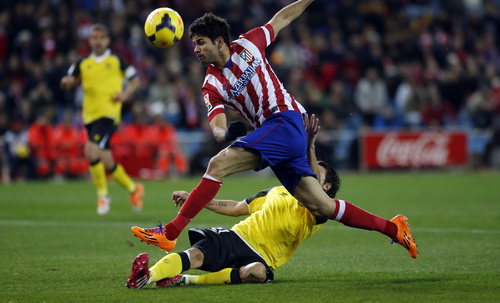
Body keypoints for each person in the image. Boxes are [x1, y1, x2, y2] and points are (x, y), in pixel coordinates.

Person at [132, 0, 417, 259]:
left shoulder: (249, 44)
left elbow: (282, 18)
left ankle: (169, 233)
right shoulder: (211, 84)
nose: (195, 50)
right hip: (278, 137)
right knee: (322, 207)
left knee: (217, 164)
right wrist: (227, 134)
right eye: (194, 44)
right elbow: (217, 127)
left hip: (287, 120)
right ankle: (394, 228)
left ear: (220, 41)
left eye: (201, 42)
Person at [126, 116, 415, 289]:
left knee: (257, 274)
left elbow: (312, 181)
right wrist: (198, 201)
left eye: (317, 176)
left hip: (262, 258)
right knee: (196, 255)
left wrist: (310, 144)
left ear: (325, 187)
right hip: (240, 236)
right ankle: (147, 276)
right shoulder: (275, 191)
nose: (306, 175)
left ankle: (184, 281)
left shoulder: (316, 210)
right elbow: (238, 207)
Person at [60, 23, 144, 215]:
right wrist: (66, 83)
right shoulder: (82, 63)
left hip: (109, 114)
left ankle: (103, 195)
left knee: (90, 150)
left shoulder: (117, 61)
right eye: (94, 38)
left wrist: (125, 95)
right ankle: (134, 189)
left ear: (107, 40)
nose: (98, 41)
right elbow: (68, 81)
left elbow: (135, 79)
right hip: (89, 116)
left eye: (101, 37)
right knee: (105, 158)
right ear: (90, 41)